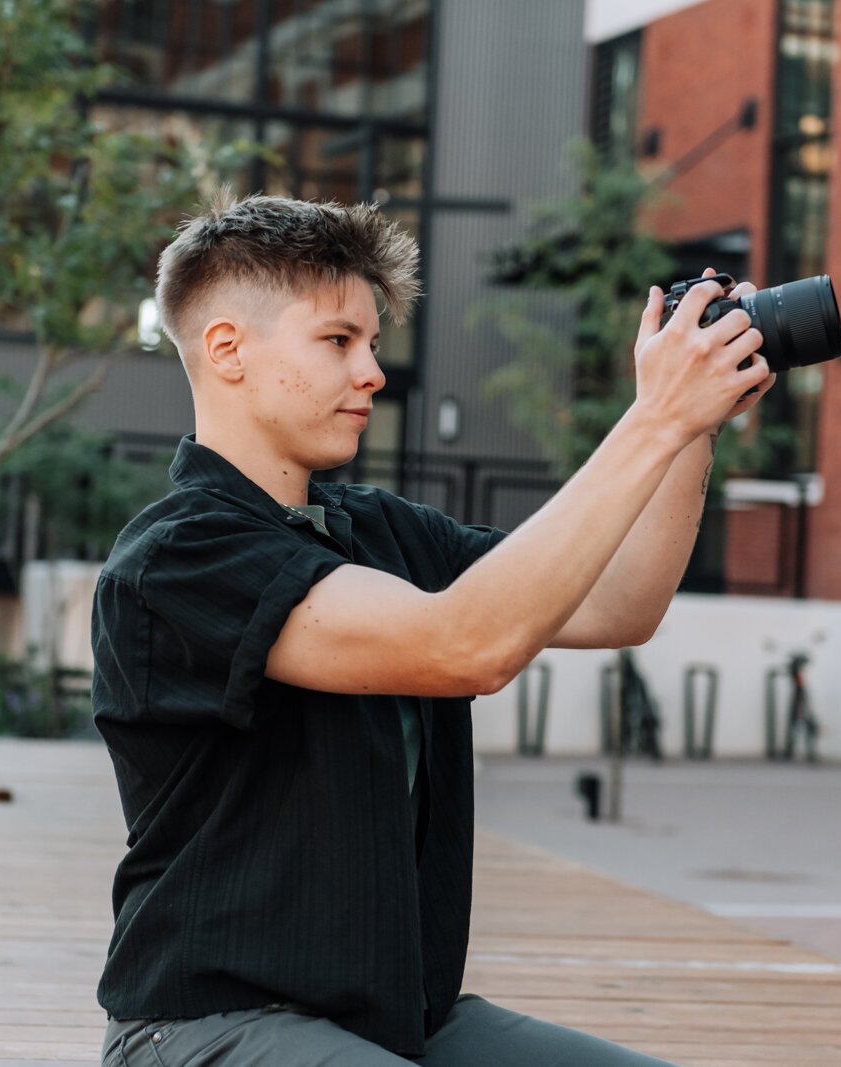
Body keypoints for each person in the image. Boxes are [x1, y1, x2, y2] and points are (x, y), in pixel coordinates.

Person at [92, 192, 772, 1066]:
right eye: (339, 341)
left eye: (373, 345)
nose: (373, 372)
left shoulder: (379, 530)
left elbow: (620, 603)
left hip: (398, 1021)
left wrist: (693, 425)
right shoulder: (177, 555)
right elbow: (466, 646)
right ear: (228, 350)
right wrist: (653, 418)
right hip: (205, 1026)